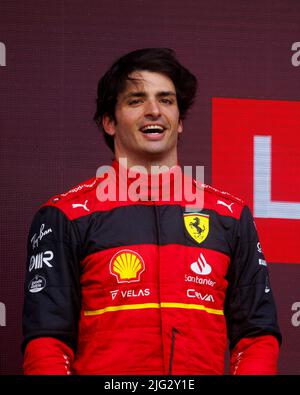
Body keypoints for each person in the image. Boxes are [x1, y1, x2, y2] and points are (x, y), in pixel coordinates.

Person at [22, 48, 281, 375]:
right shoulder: (64, 215)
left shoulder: (230, 215)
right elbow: (47, 343)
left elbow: (257, 336)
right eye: (136, 100)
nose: (154, 111)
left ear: (180, 121)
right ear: (109, 122)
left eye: (166, 100)